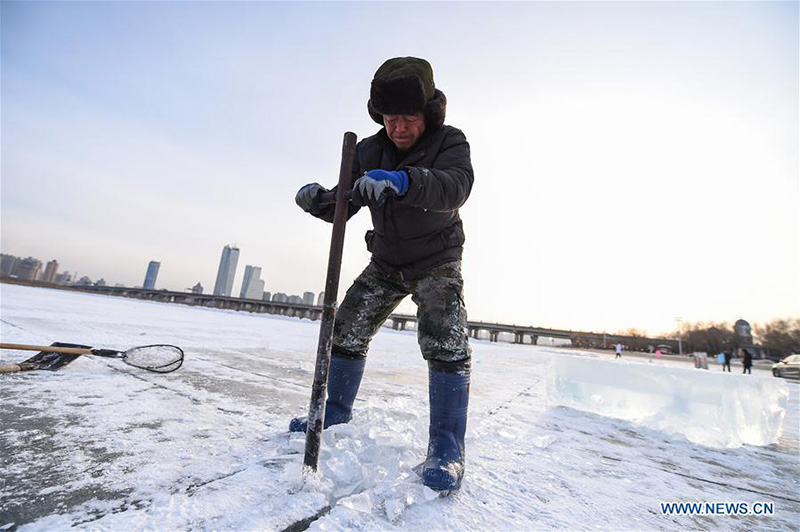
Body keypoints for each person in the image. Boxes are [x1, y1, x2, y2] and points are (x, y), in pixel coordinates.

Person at [291, 57, 474, 492]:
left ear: (428, 113)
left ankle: (447, 449)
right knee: (346, 329)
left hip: (436, 258)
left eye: (407, 118)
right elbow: (346, 202)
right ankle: (335, 412)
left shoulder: (450, 141)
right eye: (390, 119)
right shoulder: (369, 150)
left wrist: (403, 181)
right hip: (387, 260)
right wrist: (320, 201)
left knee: (445, 341)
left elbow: (455, 186)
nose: (398, 128)